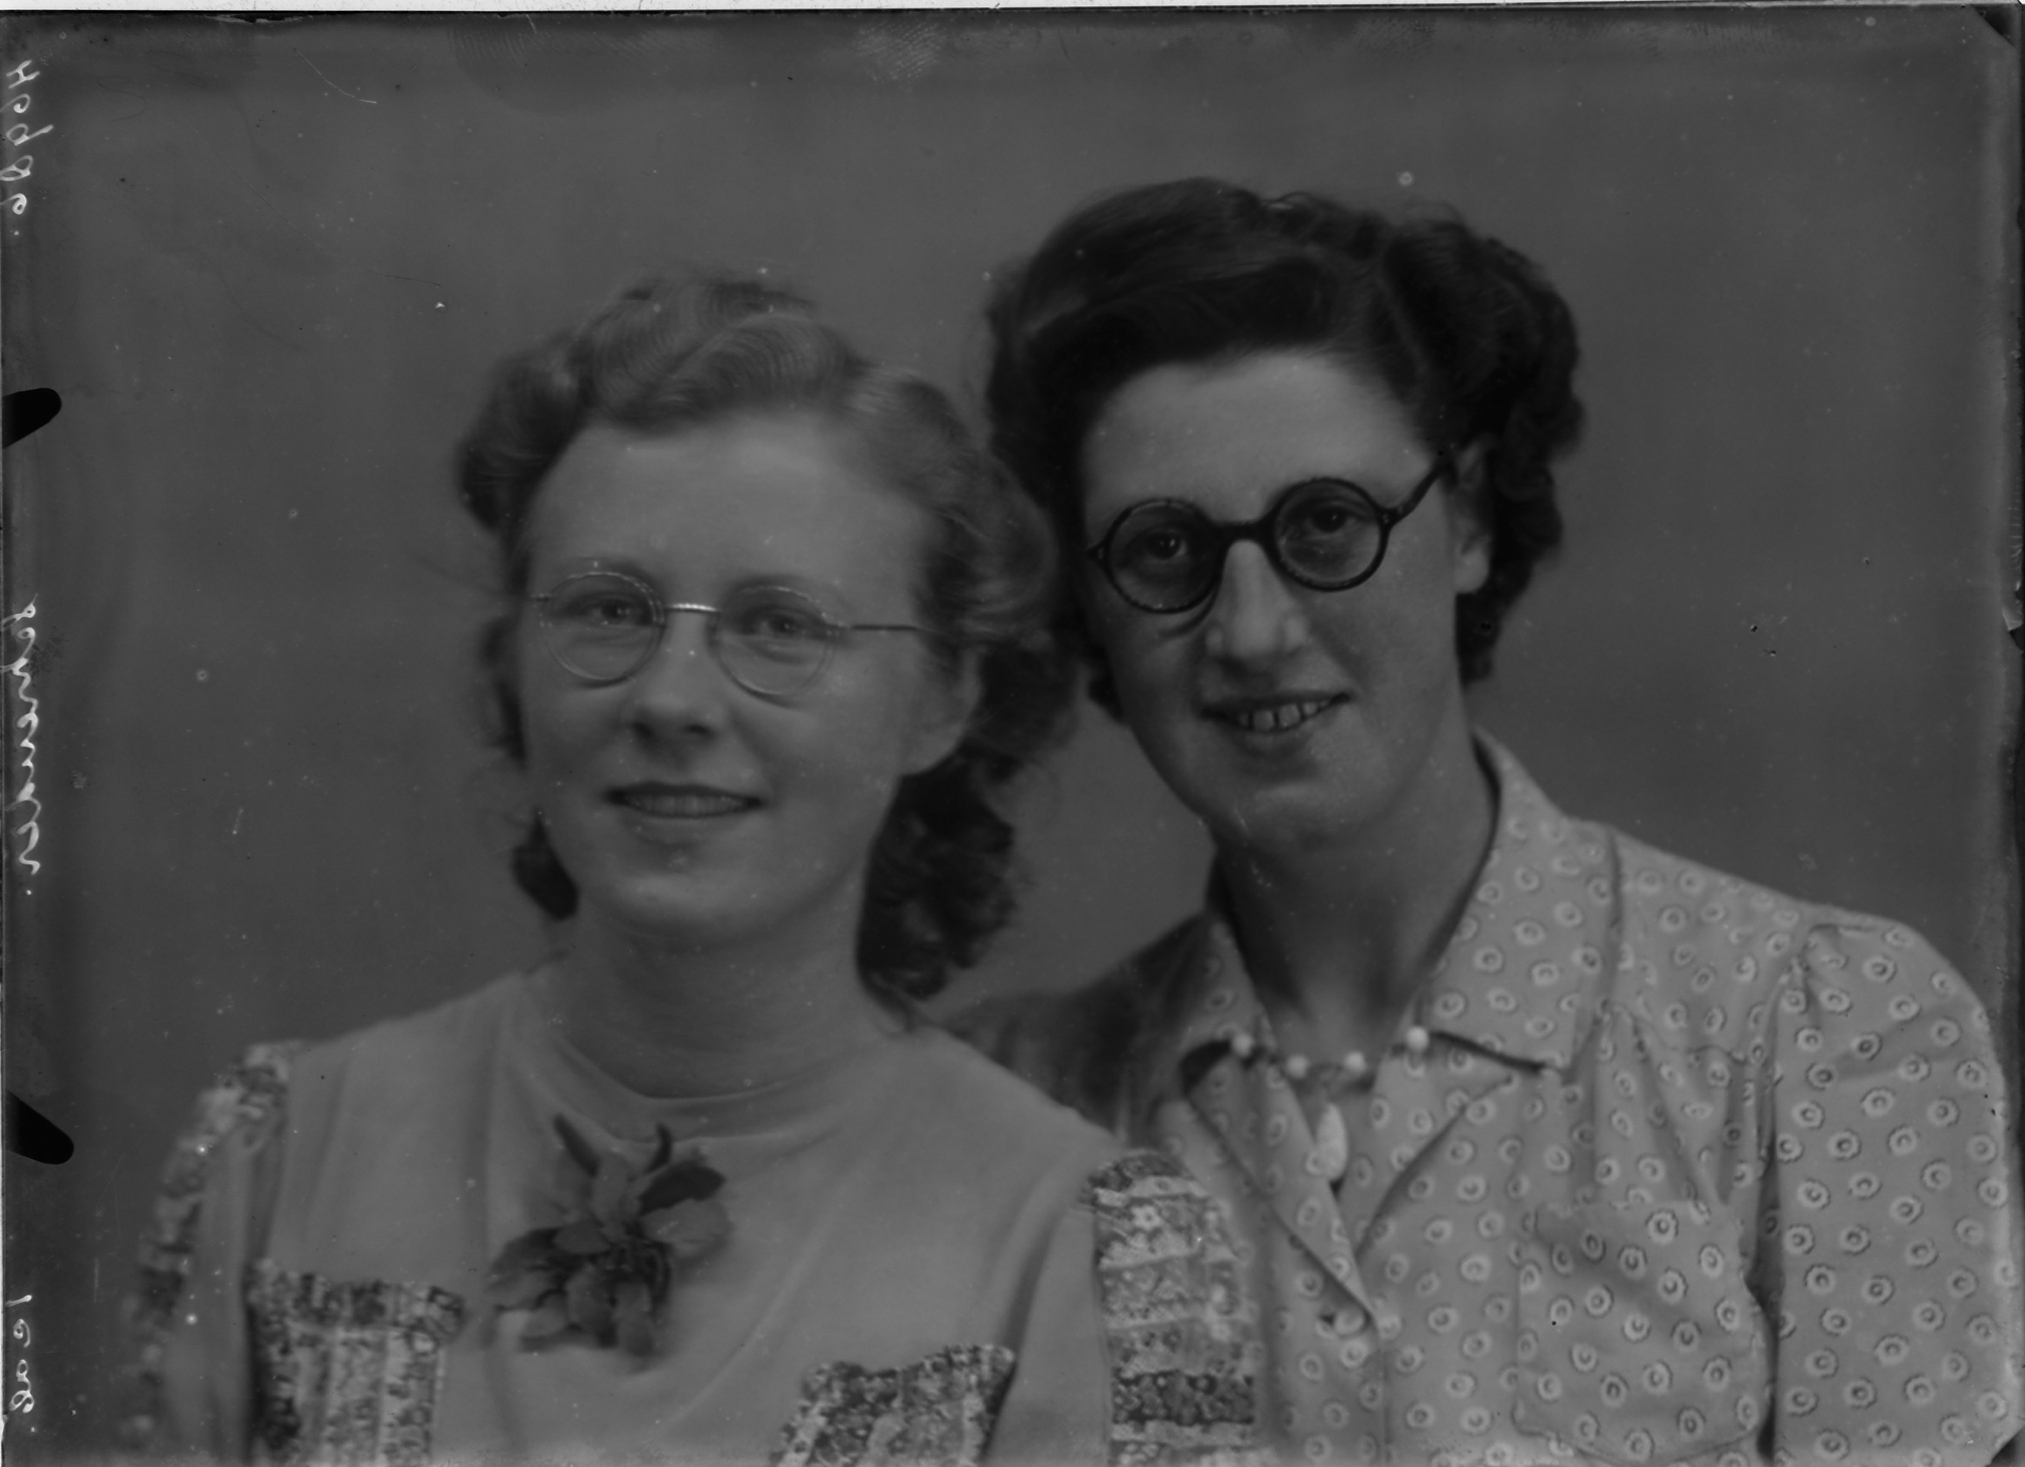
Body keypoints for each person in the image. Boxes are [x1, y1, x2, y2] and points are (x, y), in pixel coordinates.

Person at [957, 178, 2024, 1465]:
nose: (1251, 630)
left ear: (1464, 521)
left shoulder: (1816, 1041)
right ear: (1092, 603)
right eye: (1164, 550)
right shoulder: (1011, 1106)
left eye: (1327, 524)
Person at [122, 277, 1263, 1466]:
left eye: (779, 625)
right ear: (514, 665)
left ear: (942, 698)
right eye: (608, 610)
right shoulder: (280, 1156)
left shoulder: (1082, 1253)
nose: (671, 699)